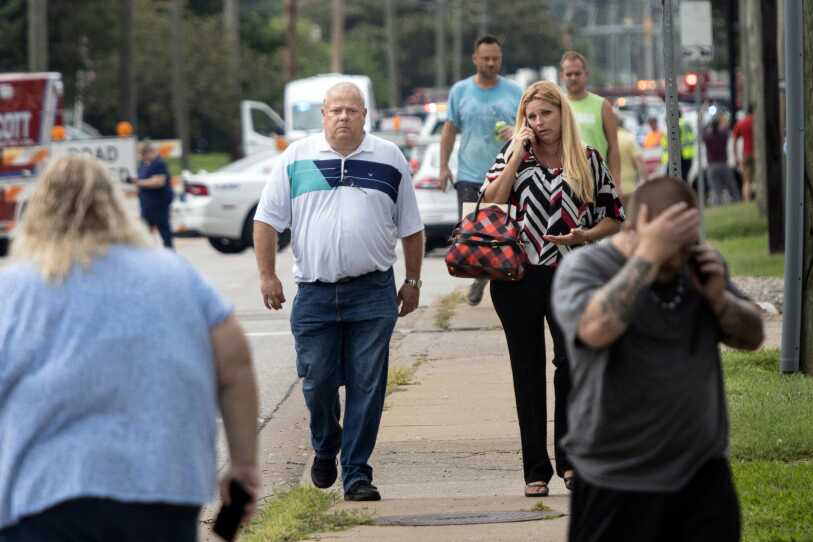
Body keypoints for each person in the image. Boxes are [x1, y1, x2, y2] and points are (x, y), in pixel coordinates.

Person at [0, 155, 259, 540]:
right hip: (161, 491)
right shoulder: (174, 274)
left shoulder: (12, 289)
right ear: (115, 206)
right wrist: (243, 464)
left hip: (41, 496)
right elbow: (235, 365)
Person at [551, 176, 764, 542]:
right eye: (668, 254)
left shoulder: (696, 264)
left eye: (685, 248)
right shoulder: (586, 269)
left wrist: (719, 300)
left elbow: (752, 337)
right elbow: (595, 329)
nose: (676, 264)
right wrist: (649, 257)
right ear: (634, 231)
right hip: (614, 481)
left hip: (702, 476)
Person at [253, 82, 424, 502]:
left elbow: (412, 227)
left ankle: (357, 474)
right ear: (324, 115)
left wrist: (414, 281)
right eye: (336, 110)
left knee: (368, 383)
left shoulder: (389, 158)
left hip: (373, 292)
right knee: (317, 382)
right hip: (314, 294)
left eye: (352, 110)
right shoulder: (296, 158)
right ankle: (326, 445)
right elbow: (266, 220)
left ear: (365, 115)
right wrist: (267, 275)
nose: (343, 117)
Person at [481, 81, 624, 497]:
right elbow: (491, 200)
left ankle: (571, 460)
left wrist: (582, 237)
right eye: (531, 116)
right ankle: (536, 470)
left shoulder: (589, 160)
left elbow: (614, 217)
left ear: (562, 115)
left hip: (572, 278)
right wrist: (515, 155)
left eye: (545, 114)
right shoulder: (514, 157)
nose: (538, 123)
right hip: (517, 277)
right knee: (526, 371)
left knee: (572, 366)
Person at [439, 35, 523, 307]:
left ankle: (499, 278)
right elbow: (450, 129)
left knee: (505, 230)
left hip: (506, 172)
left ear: (501, 58)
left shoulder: (514, 91)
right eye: (485, 58)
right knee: (471, 232)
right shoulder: (461, 91)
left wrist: (517, 131)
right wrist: (443, 166)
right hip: (470, 173)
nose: (490, 63)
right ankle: (481, 276)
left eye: (495, 58)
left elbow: (528, 125)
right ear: (475, 59)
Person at [560, 51, 621, 194]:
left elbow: (613, 147)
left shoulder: (602, 105)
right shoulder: (557, 105)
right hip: (565, 182)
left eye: (577, 73)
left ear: (586, 74)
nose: (573, 78)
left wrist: (617, 182)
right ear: (562, 76)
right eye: (569, 74)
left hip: (598, 181)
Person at [134, 140, 174, 248]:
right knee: (145, 229)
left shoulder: (159, 163)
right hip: (146, 203)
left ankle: (169, 248)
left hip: (158, 202)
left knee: (163, 227)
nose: (143, 157)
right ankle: (147, 250)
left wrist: (139, 182)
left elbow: (159, 181)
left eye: (144, 154)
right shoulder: (143, 164)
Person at [703, 114, 742, 205]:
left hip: (712, 167)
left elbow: (702, 131)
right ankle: (738, 202)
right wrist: (721, 117)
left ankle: (718, 205)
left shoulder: (708, 138)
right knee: (732, 187)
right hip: (724, 165)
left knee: (716, 191)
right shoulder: (723, 136)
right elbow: (726, 127)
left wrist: (704, 120)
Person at [616, 113, 647, 207]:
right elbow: (640, 163)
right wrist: (647, 182)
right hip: (628, 188)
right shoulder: (629, 138)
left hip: (610, 189)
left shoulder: (605, 139)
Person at [732, 105, 755, 202]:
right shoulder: (758, 121)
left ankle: (746, 200)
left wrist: (736, 156)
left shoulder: (741, 123)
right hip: (758, 154)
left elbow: (734, 141)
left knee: (746, 181)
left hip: (746, 154)